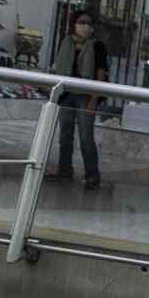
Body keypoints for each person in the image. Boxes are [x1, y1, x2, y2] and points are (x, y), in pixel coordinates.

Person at [46, 11, 108, 190]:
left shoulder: (97, 46)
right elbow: (59, 68)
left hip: (86, 95)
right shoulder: (66, 42)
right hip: (66, 94)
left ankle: (92, 176)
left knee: (86, 137)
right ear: (74, 24)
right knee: (65, 135)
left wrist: (94, 100)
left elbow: (101, 74)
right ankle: (64, 171)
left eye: (89, 23)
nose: (85, 26)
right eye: (81, 22)